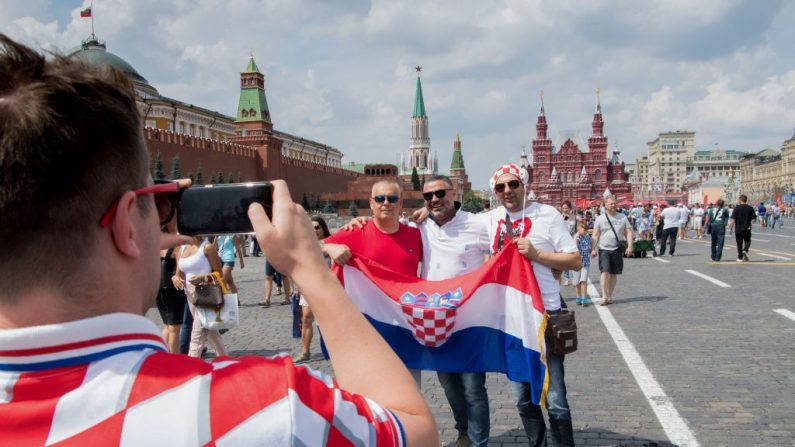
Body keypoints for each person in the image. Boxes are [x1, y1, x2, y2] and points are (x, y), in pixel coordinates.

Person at [0, 35, 438, 445]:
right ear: (128, 225)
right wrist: (312, 272)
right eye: (157, 198)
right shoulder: (263, 408)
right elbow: (410, 429)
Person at [482, 163, 581, 447]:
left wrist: (538, 255)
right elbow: (448, 219)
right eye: (501, 187)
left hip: (545, 316)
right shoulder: (490, 219)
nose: (507, 191)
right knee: (522, 398)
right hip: (511, 320)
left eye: (513, 184)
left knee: (555, 398)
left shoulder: (547, 215)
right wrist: (425, 212)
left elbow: (574, 260)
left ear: (524, 185)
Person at [322, 180, 424, 383]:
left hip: (404, 328)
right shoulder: (355, 231)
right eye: (380, 198)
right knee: (366, 395)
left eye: (392, 198)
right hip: (366, 329)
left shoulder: (416, 235)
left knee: (410, 392)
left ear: (400, 203)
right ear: (371, 203)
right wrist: (328, 248)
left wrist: (428, 211)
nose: (386, 203)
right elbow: (308, 245)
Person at [174, 237, 229, 358]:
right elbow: (178, 273)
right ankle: (225, 359)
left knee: (197, 335)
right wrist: (176, 278)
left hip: (205, 294)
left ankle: (189, 368)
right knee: (210, 331)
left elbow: (219, 273)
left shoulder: (207, 247)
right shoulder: (182, 247)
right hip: (189, 294)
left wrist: (203, 278)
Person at [293, 215, 332, 363]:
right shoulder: (303, 244)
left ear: (323, 228)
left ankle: (331, 349)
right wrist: (297, 284)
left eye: (317, 227)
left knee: (326, 321)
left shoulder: (330, 242)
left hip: (326, 288)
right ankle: (305, 351)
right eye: (311, 227)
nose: (314, 230)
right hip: (308, 286)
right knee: (307, 319)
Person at [590, 196, 633, 305]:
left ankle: (609, 295)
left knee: (614, 273)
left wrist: (630, 246)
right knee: (604, 272)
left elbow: (628, 232)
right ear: (605, 205)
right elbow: (595, 234)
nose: (613, 205)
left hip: (617, 249)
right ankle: (604, 296)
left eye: (614, 203)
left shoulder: (622, 217)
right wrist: (593, 249)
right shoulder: (600, 218)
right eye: (611, 204)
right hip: (604, 248)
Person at [155, 246, 185, 353]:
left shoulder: (156, 244)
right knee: (174, 329)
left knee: (167, 327)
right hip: (173, 290)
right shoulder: (176, 247)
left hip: (158, 290)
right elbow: (180, 268)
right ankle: (175, 360)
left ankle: (158, 354)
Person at [728, 194, 756, 262]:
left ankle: (740, 257)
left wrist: (730, 228)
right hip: (747, 228)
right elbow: (754, 218)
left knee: (739, 243)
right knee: (748, 241)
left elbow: (733, 219)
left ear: (740, 200)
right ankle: (745, 250)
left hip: (738, 228)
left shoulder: (737, 208)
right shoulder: (750, 208)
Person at [573, 222, 593, 307]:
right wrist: (576, 235)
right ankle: (578, 296)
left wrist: (593, 251)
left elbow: (591, 247)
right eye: (583, 229)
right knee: (577, 282)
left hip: (586, 262)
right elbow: (573, 246)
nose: (585, 231)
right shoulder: (576, 238)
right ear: (578, 229)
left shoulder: (588, 238)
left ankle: (584, 297)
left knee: (583, 280)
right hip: (576, 262)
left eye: (586, 229)